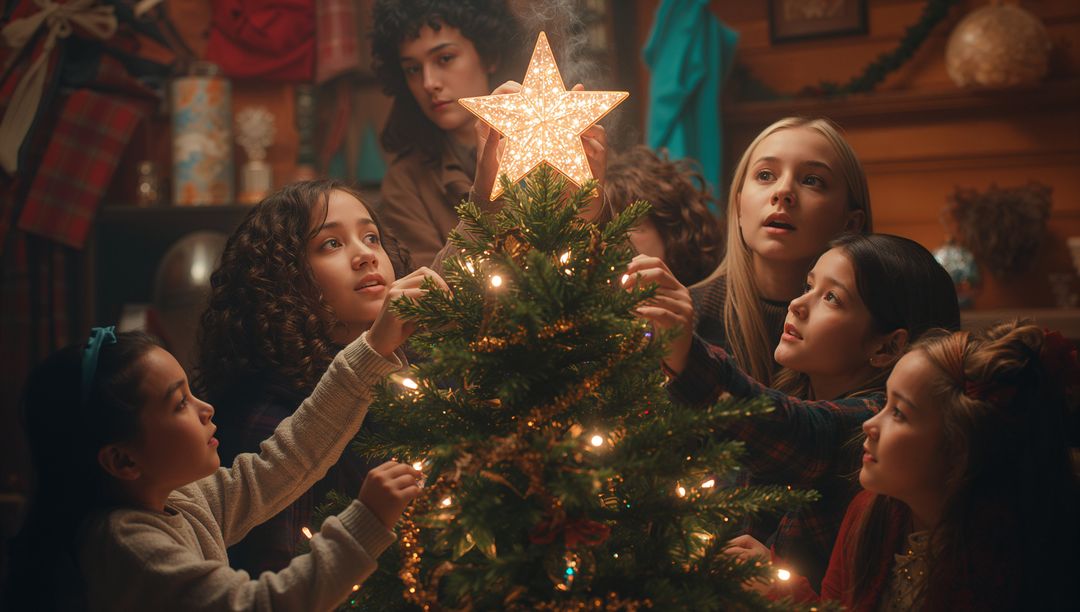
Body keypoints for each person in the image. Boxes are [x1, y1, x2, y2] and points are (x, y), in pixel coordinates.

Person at [4, 295, 436, 609]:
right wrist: (365, 522)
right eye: (179, 404)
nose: (205, 408)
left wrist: (373, 350)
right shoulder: (128, 546)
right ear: (123, 461)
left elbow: (287, 459)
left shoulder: (181, 499)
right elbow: (258, 605)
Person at [628, 233, 961, 589]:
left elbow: (797, 431)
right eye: (808, 286)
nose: (798, 304)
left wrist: (685, 351)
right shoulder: (787, 394)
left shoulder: (877, 423)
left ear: (887, 346)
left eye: (831, 298)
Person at [194, 179, 418, 575]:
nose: (365, 255)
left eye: (371, 237)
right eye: (331, 244)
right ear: (283, 277)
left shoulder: (401, 374)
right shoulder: (272, 415)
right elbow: (279, 580)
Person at [784, 321, 1080, 609]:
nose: (869, 424)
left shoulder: (1009, 565)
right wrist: (784, 593)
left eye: (898, 413)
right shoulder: (868, 515)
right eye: (884, 402)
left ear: (959, 447)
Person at [691, 116, 872, 385]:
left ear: (851, 223)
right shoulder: (686, 319)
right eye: (765, 175)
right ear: (739, 207)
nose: (783, 191)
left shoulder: (874, 332)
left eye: (812, 180)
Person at [371, 0, 527, 266]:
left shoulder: (555, 140)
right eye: (412, 69)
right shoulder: (405, 183)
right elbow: (426, 298)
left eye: (445, 58)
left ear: (489, 56)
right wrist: (483, 202)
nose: (429, 82)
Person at [605, 145, 723, 286]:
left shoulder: (708, 302)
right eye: (604, 226)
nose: (611, 240)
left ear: (674, 233)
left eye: (632, 224)